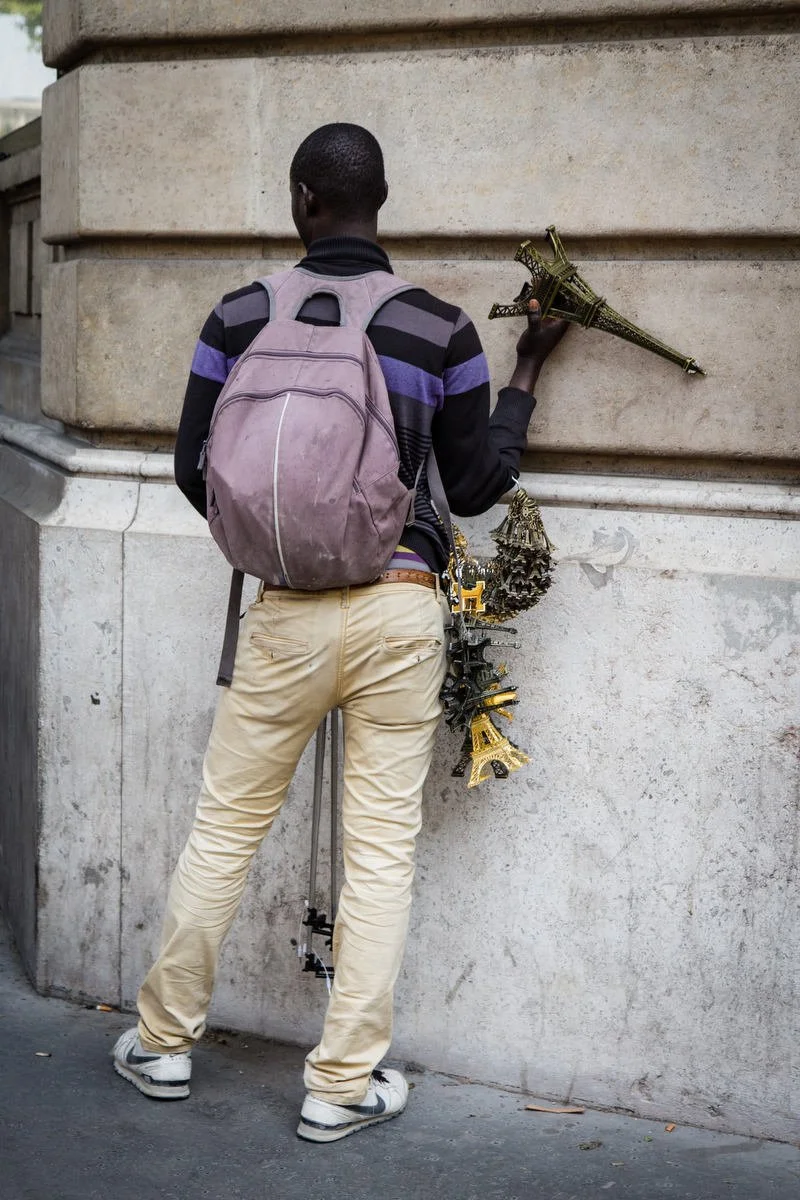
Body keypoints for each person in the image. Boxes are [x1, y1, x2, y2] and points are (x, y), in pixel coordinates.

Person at [112, 123, 568, 1142]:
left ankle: (161, 1043)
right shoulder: (437, 329)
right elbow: (480, 482)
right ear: (379, 203)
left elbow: (194, 467)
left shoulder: (235, 316)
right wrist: (525, 377)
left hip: (280, 614)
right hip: (397, 607)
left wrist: (280, 540)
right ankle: (340, 1086)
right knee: (379, 855)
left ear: (301, 203)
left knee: (223, 832)